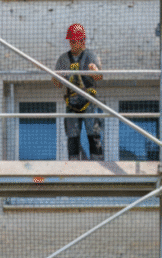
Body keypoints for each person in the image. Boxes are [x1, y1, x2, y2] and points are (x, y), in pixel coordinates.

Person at [53, 23, 104, 161]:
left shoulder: (91, 56)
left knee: (93, 133)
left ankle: (97, 161)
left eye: (75, 41)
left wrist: (95, 71)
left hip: (89, 102)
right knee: (72, 135)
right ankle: (73, 162)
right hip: (72, 103)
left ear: (83, 41)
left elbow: (99, 77)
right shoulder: (63, 59)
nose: (73, 44)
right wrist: (56, 77)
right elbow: (57, 84)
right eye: (71, 41)